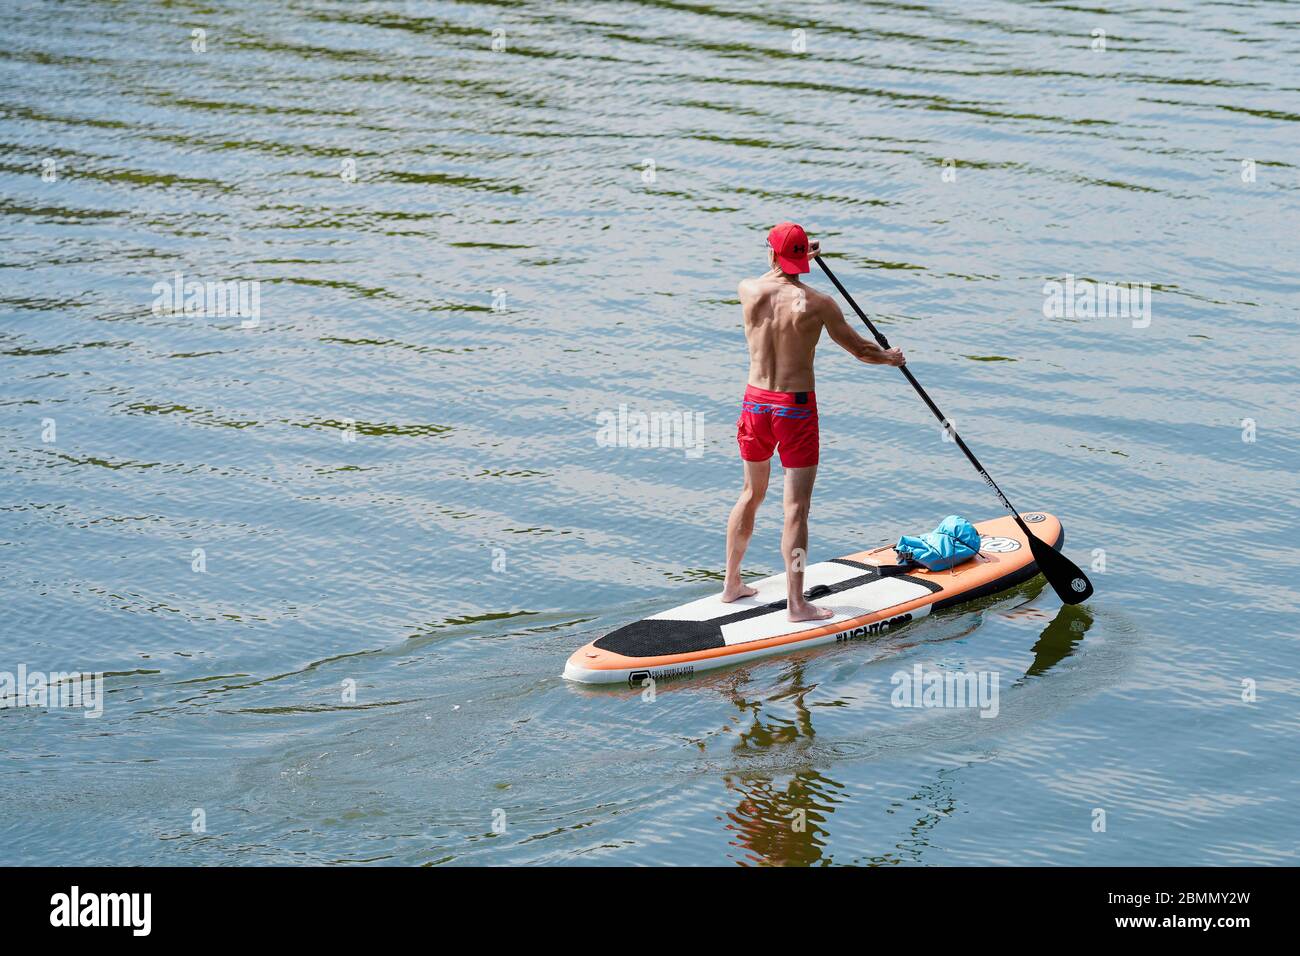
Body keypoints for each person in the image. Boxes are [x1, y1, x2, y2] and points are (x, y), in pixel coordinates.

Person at [723, 222, 906, 621]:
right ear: (802, 260)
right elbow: (861, 350)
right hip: (794, 409)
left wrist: (796, 253)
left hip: (755, 404)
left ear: (771, 254)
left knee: (750, 494)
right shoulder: (820, 303)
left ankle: (732, 584)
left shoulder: (747, 290)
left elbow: (774, 270)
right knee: (796, 509)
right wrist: (890, 357)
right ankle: (797, 604)